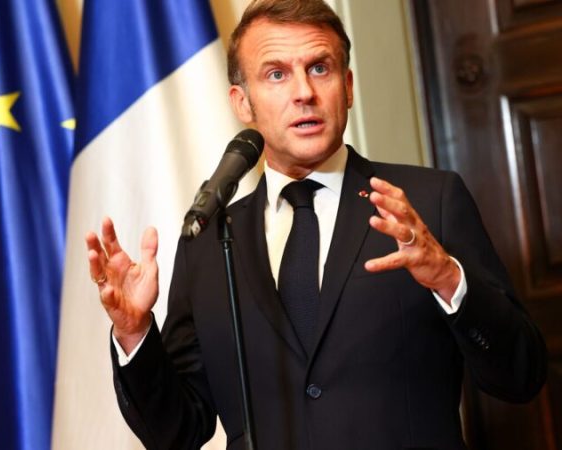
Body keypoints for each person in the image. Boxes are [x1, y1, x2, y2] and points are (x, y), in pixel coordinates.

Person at [85, 0, 547, 448]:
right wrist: (134, 333)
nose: (303, 92)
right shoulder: (210, 241)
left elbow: (520, 376)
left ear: (348, 86)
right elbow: (178, 433)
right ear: (242, 103)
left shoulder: (428, 203)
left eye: (319, 68)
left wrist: (448, 279)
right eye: (276, 74)